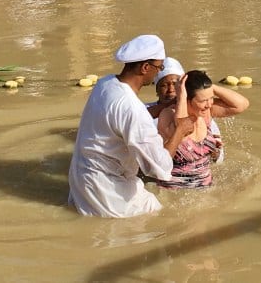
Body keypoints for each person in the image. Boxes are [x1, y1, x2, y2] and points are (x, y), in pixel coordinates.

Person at [68, 34, 195, 218]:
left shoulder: (105, 83)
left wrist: (161, 108)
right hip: (107, 190)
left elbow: (119, 116)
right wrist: (180, 131)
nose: (158, 72)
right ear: (145, 67)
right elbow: (159, 167)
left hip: (80, 177)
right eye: (158, 67)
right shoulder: (133, 110)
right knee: (159, 218)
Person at [157, 70, 249, 189]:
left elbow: (241, 105)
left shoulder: (206, 112)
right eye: (202, 101)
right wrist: (181, 96)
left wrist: (210, 87)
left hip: (205, 188)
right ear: (186, 99)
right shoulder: (168, 114)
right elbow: (182, 130)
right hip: (174, 193)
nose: (209, 104)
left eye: (211, 98)